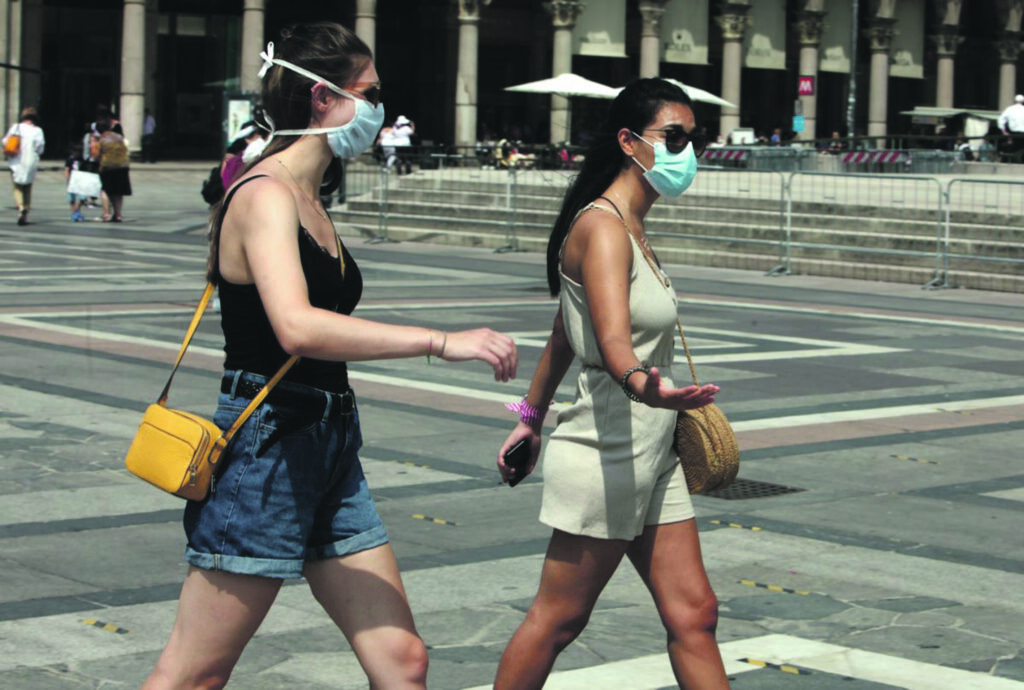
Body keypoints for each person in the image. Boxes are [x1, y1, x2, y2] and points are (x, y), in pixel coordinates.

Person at [142, 22, 518, 690]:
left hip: (329, 439)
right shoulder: (263, 194)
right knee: (192, 675)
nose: (378, 109)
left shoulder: (312, 196)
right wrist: (438, 341)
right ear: (323, 99)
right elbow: (297, 328)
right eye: (368, 93)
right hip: (266, 446)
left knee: (402, 663)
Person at [493, 78, 729, 690]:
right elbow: (613, 346)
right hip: (607, 446)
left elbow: (562, 335)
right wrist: (647, 386)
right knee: (559, 619)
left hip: (653, 448)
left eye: (692, 138)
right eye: (672, 137)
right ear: (629, 141)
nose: (686, 151)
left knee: (694, 613)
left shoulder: (631, 225)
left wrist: (528, 414)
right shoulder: (602, 229)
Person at [3, 107, 46, 226]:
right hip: (31, 160)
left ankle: (21, 208)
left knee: (17, 186)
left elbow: (5, 142)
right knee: (27, 187)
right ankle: (26, 212)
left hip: (16, 160)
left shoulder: (16, 127)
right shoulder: (38, 131)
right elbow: (40, 148)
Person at [95, 119, 131, 222]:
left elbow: (96, 154)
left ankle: (106, 214)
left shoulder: (102, 139)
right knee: (119, 192)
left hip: (108, 167)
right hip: (123, 167)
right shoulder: (119, 137)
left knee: (105, 190)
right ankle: (118, 214)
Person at [65, 142, 87, 222]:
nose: (77, 154)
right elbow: (67, 169)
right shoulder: (70, 159)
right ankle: (75, 213)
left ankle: (77, 211)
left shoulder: (82, 159)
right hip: (72, 180)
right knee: (72, 199)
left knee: (82, 198)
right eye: (76, 152)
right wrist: (68, 179)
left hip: (81, 180)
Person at [997, 94, 1024, 161]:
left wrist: (1003, 130)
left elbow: (1001, 119)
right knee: (1021, 150)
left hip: (1013, 133)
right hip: (1023, 133)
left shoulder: (1009, 109)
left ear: (1014, 101)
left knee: (1013, 148)